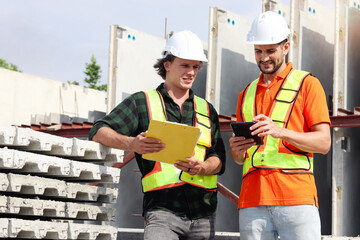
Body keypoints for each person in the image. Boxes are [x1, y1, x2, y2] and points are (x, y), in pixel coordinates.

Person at [89, 30, 226, 240]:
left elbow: (218, 157)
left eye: (196, 66)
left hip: (204, 214)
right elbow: (98, 131)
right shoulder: (142, 102)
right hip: (162, 213)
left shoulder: (207, 109)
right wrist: (131, 143)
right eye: (185, 65)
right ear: (167, 64)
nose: (191, 72)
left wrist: (204, 167)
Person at [229, 11, 331, 240]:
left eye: (270, 51)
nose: (263, 57)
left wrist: (279, 131)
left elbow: (324, 143)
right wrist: (237, 150)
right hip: (252, 201)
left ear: (286, 47)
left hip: (296, 198)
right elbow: (239, 159)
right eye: (258, 51)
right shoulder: (245, 93)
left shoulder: (308, 84)